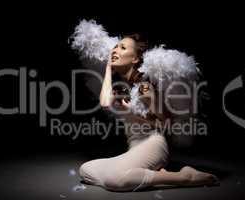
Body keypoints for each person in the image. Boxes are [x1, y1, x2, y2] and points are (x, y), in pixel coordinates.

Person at [78, 34, 219, 192]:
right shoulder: (120, 87)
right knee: (85, 169)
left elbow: (167, 124)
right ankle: (149, 174)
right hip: (134, 147)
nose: (115, 50)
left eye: (123, 48)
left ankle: (185, 177)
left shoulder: (144, 88)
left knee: (113, 180)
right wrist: (108, 68)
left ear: (135, 59)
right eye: (115, 47)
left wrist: (133, 112)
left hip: (152, 144)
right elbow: (104, 102)